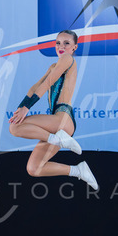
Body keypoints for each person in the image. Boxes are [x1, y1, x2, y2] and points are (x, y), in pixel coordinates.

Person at [8, 29, 98, 190]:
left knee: (15, 128)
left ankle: (58, 139)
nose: (61, 46)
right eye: (58, 43)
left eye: (66, 43)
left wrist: (27, 108)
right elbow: (33, 88)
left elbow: (48, 82)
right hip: (58, 125)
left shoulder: (68, 59)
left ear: (74, 47)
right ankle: (78, 171)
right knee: (34, 168)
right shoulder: (53, 66)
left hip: (63, 118)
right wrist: (20, 109)